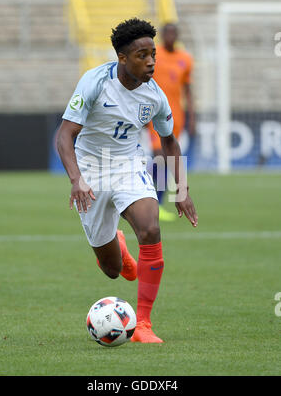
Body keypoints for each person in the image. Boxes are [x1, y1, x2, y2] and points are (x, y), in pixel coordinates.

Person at [57, 18, 198, 344]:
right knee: (111, 269)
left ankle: (144, 326)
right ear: (122, 57)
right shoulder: (95, 82)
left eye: (153, 54)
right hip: (90, 170)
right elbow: (65, 135)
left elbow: (170, 142)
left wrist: (182, 189)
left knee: (150, 228)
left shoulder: (155, 97)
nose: (150, 62)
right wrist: (77, 180)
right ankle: (117, 244)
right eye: (141, 55)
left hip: (128, 165)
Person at [147, 23, 196, 222]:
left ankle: (155, 202)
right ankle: (155, 203)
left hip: (176, 116)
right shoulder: (153, 55)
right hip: (154, 114)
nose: (170, 37)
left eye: (173, 33)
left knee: (168, 159)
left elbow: (188, 91)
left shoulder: (185, 59)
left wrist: (192, 118)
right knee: (160, 157)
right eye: (166, 33)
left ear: (177, 36)